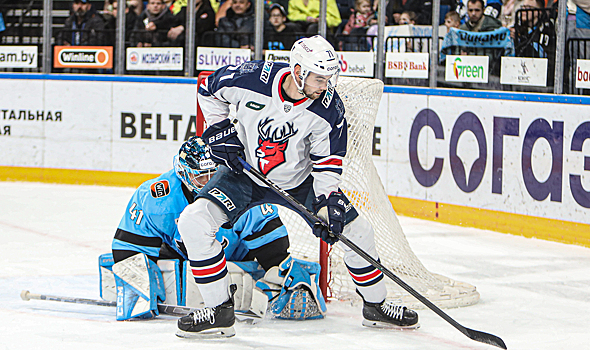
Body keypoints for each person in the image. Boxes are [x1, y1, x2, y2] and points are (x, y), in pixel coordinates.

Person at [175, 35, 419, 338]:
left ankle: (375, 306)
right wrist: (217, 128)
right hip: (245, 173)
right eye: (319, 78)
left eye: (329, 78)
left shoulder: (329, 108)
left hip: (302, 182)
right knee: (193, 221)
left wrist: (328, 202)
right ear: (299, 71)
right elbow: (208, 88)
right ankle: (218, 310)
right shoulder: (253, 78)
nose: (324, 85)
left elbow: (328, 162)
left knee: (359, 232)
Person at [111, 137, 326, 325]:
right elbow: (129, 247)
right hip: (181, 255)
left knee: (277, 269)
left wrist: (277, 269)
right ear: (183, 173)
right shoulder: (157, 197)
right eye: (201, 177)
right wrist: (137, 283)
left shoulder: (240, 190)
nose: (209, 182)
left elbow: (273, 245)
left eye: (213, 174)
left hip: (236, 255)